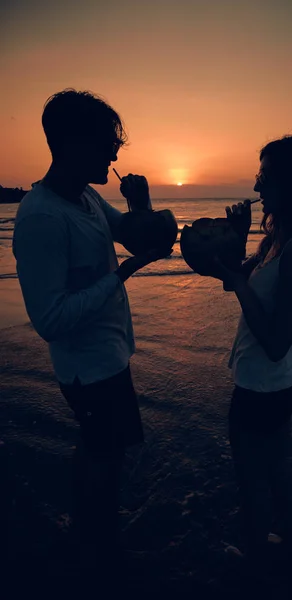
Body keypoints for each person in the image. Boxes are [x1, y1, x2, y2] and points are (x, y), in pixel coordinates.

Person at [12, 89, 172, 570]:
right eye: (107, 143)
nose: (115, 153)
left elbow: (133, 234)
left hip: (107, 355)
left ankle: (89, 534)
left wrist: (141, 202)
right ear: (74, 143)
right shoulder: (41, 216)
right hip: (86, 367)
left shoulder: (84, 195)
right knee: (106, 453)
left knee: (102, 448)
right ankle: (98, 550)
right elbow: (49, 320)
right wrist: (120, 275)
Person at [210, 134, 292, 570]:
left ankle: (257, 565)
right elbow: (233, 280)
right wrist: (241, 239)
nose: (257, 187)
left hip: (264, 385)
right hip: (276, 383)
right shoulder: (279, 237)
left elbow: (278, 342)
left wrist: (243, 284)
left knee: (252, 483)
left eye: (265, 177)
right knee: (278, 470)